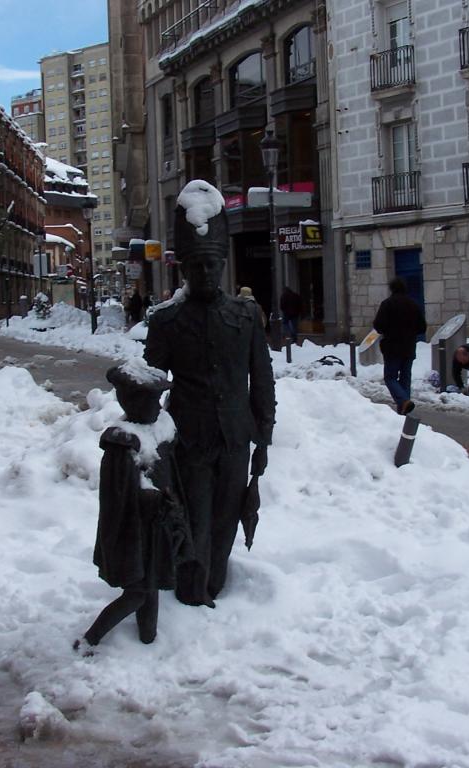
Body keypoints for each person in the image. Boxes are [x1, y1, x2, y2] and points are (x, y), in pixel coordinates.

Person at [144, 180, 276, 607]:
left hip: (236, 438)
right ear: (183, 268)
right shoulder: (166, 321)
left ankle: (214, 586)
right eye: (196, 266)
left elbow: (263, 378)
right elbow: (151, 383)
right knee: (195, 519)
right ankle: (192, 593)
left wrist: (264, 438)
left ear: (222, 265)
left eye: (212, 265)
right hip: (190, 439)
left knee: (226, 521)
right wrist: (149, 438)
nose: (205, 273)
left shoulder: (245, 314)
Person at [79, 359, 193, 649]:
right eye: (151, 401)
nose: (158, 407)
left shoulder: (159, 430)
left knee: (151, 583)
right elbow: (118, 498)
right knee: (138, 593)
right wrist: (154, 498)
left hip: (157, 529)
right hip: (134, 533)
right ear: (132, 402)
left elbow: (169, 471)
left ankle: (148, 638)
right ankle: (90, 639)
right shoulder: (124, 443)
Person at [372, 277, 427, 415]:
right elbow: (422, 327)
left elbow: (378, 325)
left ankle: (403, 401)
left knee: (390, 377)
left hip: (392, 347)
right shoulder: (413, 305)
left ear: (391, 289)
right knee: (405, 377)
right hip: (409, 347)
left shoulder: (387, 304)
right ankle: (404, 408)